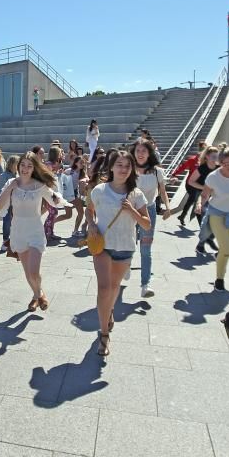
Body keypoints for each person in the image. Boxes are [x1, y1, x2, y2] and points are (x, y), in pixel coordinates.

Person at [86, 151, 151, 356]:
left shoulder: (136, 194)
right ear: (111, 167)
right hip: (102, 245)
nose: (123, 169)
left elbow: (147, 224)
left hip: (125, 246)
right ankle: (104, 334)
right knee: (104, 289)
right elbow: (89, 209)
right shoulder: (99, 190)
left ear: (132, 170)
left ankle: (109, 310)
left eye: (127, 166)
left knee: (114, 289)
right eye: (119, 165)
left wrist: (132, 210)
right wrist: (91, 225)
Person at [0, 152, 69, 312]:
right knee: (28, 273)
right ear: (18, 166)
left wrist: (56, 199)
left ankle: (38, 293)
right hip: (18, 232)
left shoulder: (39, 185)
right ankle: (38, 295)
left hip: (35, 231)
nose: (25, 169)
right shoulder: (11, 183)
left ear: (34, 168)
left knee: (34, 272)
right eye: (23, 165)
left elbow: (54, 200)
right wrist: (11, 187)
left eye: (29, 166)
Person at [197, 148, 229, 291]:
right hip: (217, 214)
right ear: (220, 163)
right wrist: (199, 204)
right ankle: (219, 279)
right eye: (227, 163)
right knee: (225, 248)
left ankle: (220, 256)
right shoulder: (213, 177)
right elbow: (205, 194)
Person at [132, 138, 171, 297]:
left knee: (146, 249)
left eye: (144, 151)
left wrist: (168, 207)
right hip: (129, 211)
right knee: (128, 244)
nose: (140, 154)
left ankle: (145, 284)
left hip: (149, 211)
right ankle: (125, 266)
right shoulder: (128, 169)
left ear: (149, 153)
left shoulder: (157, 171)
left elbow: (163, 192)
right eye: (138, 151)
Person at [0, 155, 19, 253]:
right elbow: (0, 191)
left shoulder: (19, 175)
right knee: (7, 222)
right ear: (11, 164)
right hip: (7, 204)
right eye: (17, 163)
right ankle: (5, 241)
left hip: (18, 204)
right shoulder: (4, 175)